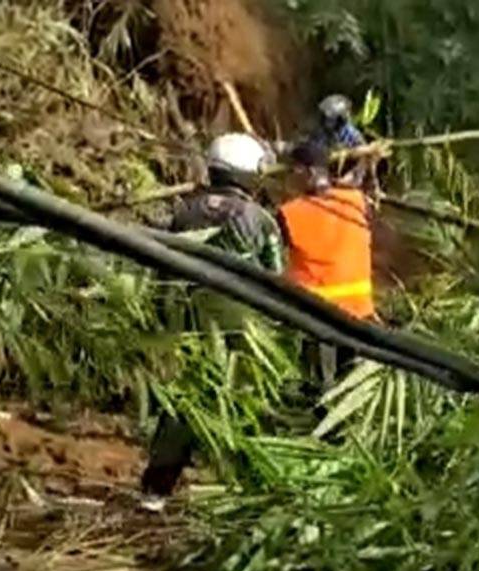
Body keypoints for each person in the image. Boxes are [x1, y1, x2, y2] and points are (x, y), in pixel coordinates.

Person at [142, 132, 284, 503]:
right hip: (240, 324)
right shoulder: (260, 219)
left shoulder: (183, 211)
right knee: (245, 399)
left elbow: (160, 258)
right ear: (250, 174)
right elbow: (276, 278)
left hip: (186, 317)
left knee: (184, 399)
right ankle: (242, 487)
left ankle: (156, 489)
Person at [278, 142, 376, 397]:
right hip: (359, 311)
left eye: (293, 172)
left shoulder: (291, 213)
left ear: (305, 172)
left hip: (319, 315)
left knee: (322, 390)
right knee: (353, 389)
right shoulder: (356, 201)